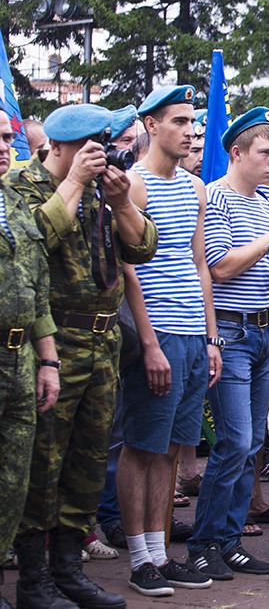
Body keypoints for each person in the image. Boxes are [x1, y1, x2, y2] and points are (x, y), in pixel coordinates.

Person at [9, 104, 159, 609]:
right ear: (64, 145)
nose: (107, 156)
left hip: (101, 346)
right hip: (52, 345)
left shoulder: (101, 192)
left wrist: (122, 205)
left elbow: (142, 250)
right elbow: (35, 241)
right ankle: (34, 580)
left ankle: (68, 569)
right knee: (42, 466)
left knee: (88, 463)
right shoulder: (23, 188)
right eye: (97, 145)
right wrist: (71, 182)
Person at [186, 108, 269, 580]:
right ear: (236, 152)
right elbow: (218, 267)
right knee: (233, 440)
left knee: (253, 439)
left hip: (264, 329)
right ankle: (204, 542)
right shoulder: (216, 196)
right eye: (266, 152)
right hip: (230, 332)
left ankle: (229, 540)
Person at [121, 85, 220, 596]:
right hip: (155, 331)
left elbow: (198, 263)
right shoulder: (132, 186)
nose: (191, 131)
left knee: (172, 452)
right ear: (151, 126)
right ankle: (139, 558)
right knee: (141, 447)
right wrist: (149, 341)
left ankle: (160, 552)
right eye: (179, 121)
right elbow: (130, 272)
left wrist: (211, 336)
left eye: (193, 123)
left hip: (189, 334)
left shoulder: (195, 186)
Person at [0, 110, 62, 609]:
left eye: (8, 137)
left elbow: (37, 289)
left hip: (21, 360)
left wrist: (48, 361)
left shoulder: (13, 203)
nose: (7, 146)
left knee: (13, 481)